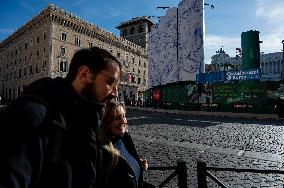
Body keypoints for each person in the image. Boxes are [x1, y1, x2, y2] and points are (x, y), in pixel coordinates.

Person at [0, 46, 123, 188]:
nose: (116, 94)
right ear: (84, 74)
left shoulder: (90, 120)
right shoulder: (30, 115)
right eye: (110, 83)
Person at [98, 100, 148, 188]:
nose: (123, 121)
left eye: (124, 116)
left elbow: (124, 162)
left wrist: (136, 163)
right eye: (117, 118)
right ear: (107, 122)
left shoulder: (125, 137)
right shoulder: (103, 153)